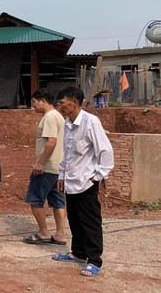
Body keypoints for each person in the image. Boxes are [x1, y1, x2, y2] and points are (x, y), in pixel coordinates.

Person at [52, 86, 114, 277]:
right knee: (74, 218)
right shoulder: (68, 123)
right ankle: (78, 252)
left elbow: (105, 151)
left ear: (74, 102)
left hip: (86, 181)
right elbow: (67, 154)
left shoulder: (90, 122)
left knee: (90, 221)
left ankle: (94, 259)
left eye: (62, 103)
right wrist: (62, 176)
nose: (59, 107)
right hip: (70, 181)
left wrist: (97, 176)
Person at [22, 89, 67, 245]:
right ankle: (60, 233)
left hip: (46, 167)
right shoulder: (58, 116)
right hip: (58, 167)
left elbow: (51, 141)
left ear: (42, 101)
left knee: (35, 199)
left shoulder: (49, 117)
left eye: (34, 102)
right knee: (58, 202)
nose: (32, 105)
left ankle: (43, 232)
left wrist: (40, 162)